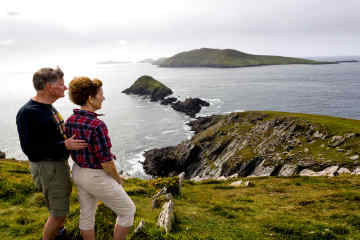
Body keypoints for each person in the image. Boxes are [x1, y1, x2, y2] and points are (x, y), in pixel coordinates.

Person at [16, 67, 88, 240]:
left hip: (56, 166)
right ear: (49, 87)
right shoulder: (29, 113)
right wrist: (65, 145)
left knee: (59, 207)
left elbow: (52, 135)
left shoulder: (47, 107)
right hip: (48, 168)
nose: (65, 88)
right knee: (58, 214)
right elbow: (30, 149)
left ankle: (59, 235)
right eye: (62, 85)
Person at [65, 76, 136, 240]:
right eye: (100, 94)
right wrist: (118, 179)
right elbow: (105, 161)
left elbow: (81, 148)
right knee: (128, 211)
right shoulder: (97, 125)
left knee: (87, 215)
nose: (103, 97)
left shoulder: (70, 120)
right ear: (90, 98)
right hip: (95, 175)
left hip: (77, 171)